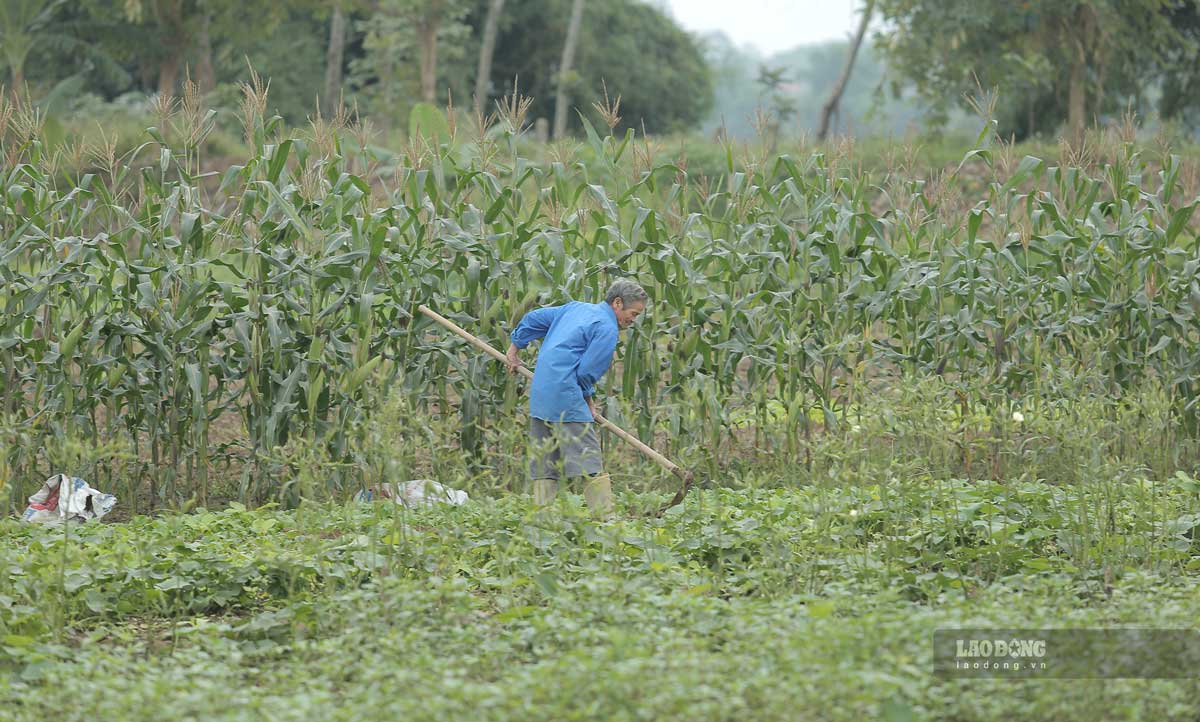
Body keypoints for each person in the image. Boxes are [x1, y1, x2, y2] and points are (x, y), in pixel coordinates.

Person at [505, 280, 648, 516]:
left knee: (545, 462)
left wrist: (513, 350)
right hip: (566, 395)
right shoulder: (607, 327)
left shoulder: (575, 308)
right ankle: (606, 522)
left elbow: (532, 319)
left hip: (541, 394)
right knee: (588, 461)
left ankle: (542, 523)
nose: (633, 320)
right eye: (633, 314)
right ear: (618, 303)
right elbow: (586, 372)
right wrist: (589, 402)